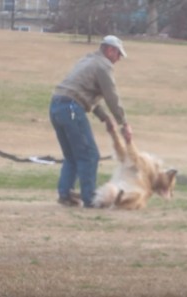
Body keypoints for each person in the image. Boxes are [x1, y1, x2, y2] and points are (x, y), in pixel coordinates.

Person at [49, 35, 132, 208]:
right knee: (89, 154)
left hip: (56, 106)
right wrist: (124, 123)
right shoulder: (103, 65)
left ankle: (65, 194)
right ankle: (90, 198)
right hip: (71, 109)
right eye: (118, 55)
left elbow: (81, 93)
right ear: (109, 50)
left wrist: (105, 117)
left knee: (72, 156)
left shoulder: (87, 60)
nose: (119, 59)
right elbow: (111, 96)